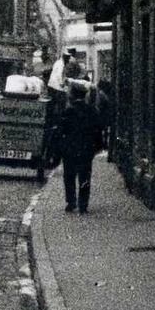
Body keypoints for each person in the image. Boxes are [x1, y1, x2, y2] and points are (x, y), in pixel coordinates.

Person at [57, 81, 104, 214]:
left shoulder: (68, 111)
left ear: (73, 95)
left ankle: (71, 202)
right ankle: (83, 205)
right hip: (86, 150)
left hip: (70, 150)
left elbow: (61, 131)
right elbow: (97, 131)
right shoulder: (92, 111)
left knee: (69, 176)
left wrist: (61, 148)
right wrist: (97, 147)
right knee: (85, 177)